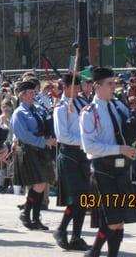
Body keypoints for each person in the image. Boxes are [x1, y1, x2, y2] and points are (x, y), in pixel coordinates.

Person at [80, 67, 136, 257]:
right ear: (97, 86)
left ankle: (102, 253)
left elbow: (128, 125)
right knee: (114, 220)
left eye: (115, 83)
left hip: (121, 167)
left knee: (120, 219)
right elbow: (89, 147)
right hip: (103, 169)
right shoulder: (88, 112)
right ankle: (95, 251)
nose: (114, 87)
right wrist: (119, 149)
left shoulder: (118, 106)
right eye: (110, 83)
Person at [11, 81, 57, 231]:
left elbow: (46, 123)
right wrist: (44, 141)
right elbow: (23, 136)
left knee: (42, 184)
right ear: (22, 95)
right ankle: (27, 213)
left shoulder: (37, 110)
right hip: (29, 150)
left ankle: (35, 217)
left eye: (34, 92)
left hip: (41, 150)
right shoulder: (19, 113)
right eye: (30, 93)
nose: (34, 95)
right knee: (38, 184)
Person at [52, 74, 90, 251]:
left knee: (84, 199)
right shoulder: (60, 108)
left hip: (83, 155)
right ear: (65, 87)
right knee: (75, 199)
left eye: (78, 86)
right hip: (69, 155)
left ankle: (76, 236)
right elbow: (62, 136)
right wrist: (85, 140)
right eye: (74, 87)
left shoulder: (83, 104)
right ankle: (61, 229)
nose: (77, 90)